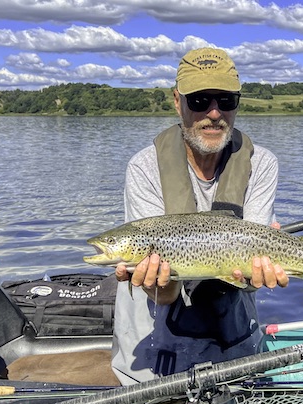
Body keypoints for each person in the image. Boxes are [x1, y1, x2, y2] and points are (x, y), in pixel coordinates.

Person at [110, 47, 289, 385]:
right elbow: (163, 294)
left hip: (233, 340)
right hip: (152, 352)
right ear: (177, 101)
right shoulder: (144, 167)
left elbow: (250, 274)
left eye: (226, 100)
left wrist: (257, 276)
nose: (214, 112)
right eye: (199, 100)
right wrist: (156, 284)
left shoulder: (262, 163)